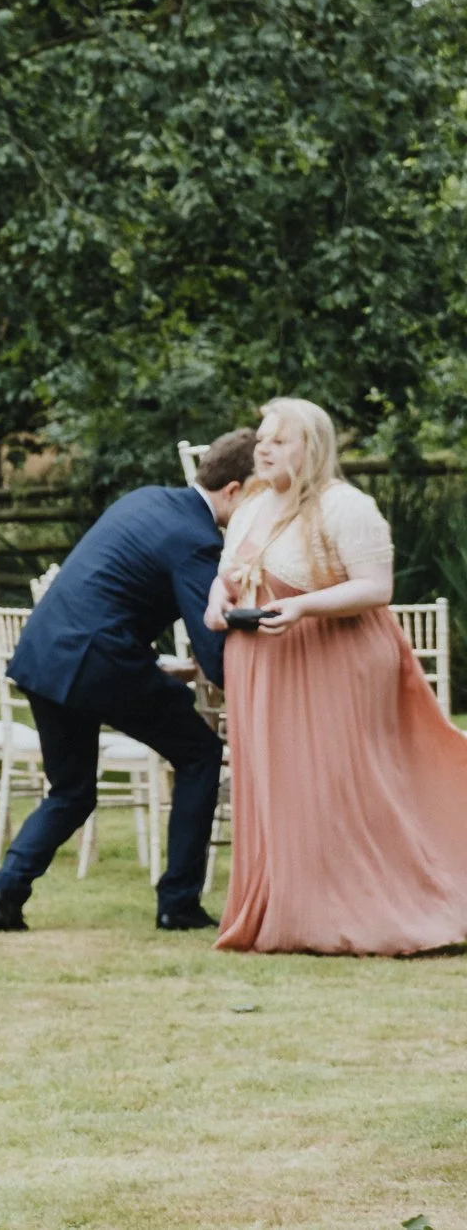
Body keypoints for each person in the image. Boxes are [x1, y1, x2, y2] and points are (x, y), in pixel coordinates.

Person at [207, 398, 467, 954]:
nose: (264, 448)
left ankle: (362, 909)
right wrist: (216, 601)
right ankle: (285, 908)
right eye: (262, 439)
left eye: (280, 439)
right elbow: (228, 574)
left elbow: (377, 587)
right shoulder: (252, 505)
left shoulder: (346, 506)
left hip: (332, 659)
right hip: (260, 660)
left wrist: (303, 608)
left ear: (313, 448)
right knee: (276, 786)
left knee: (334, 784)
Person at [0, 430, 257, 932]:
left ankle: (4, 890)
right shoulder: (196, 539)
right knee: (199, 753)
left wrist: (150, 661)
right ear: (235, 491)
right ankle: (178, 902)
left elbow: (105, 590)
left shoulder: (146, 500)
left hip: (45, 656)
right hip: (98, 663)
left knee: (72, 790)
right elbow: (216, 653)